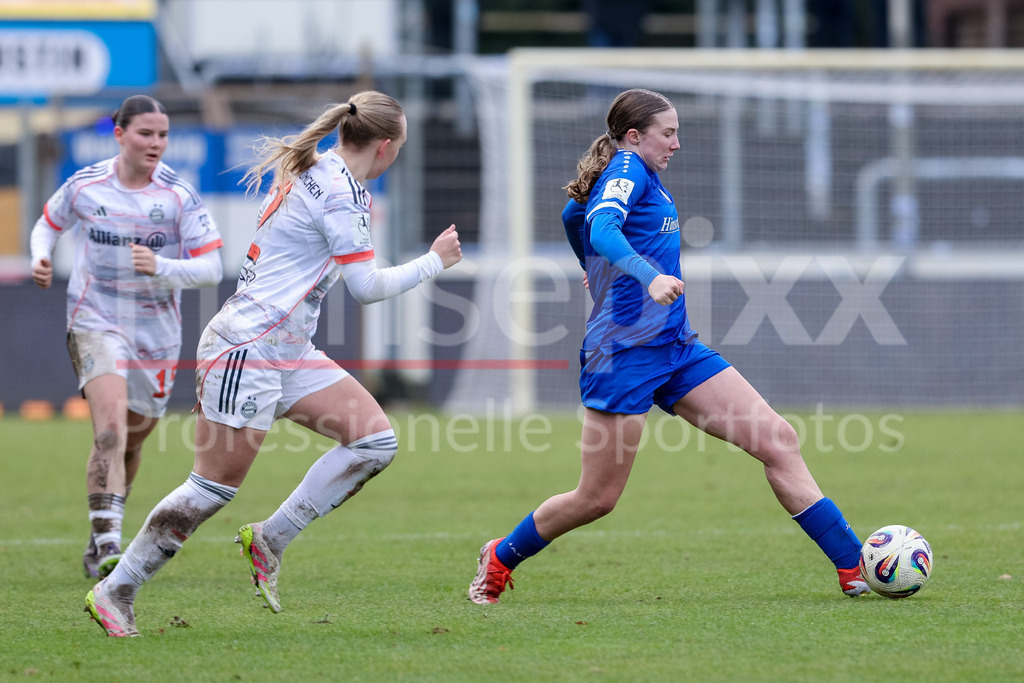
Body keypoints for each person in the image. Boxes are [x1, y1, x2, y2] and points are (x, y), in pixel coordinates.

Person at [467, 88, 869, 605]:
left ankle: (854, 566)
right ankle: (501, 554)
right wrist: (642, 274)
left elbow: (573, 215)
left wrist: (594, 269)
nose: (677, 143)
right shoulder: (628, 169)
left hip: (676, 346)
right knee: (597, 498)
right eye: (669, 132)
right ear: (634, 137)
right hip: (623, 355)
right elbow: (598, 224)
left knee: (777, 440)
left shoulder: (641, 174)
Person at [84, 90, 463, 637]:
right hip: (250, 347)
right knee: (211, 488)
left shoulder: (317, 165)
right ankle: (115, 591)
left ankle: (270, 538)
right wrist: (435, 261)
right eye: (400, 146)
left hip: (285, 348)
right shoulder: (341, 192)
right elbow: (367, 288)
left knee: (375, 441)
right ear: (385, 147)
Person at [30, 95, 223, 580]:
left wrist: (163, 267)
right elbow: (49, 224)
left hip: (156, 335)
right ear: (119, 135)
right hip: (94, 319)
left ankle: (102, 532)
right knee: (109, 431)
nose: (156, 143)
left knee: (131, 443)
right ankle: (108, 543)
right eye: (145, 134)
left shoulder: (179, 196)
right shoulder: (86, 185)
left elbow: (212, 268)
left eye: (162, 135)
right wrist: (40, 256)